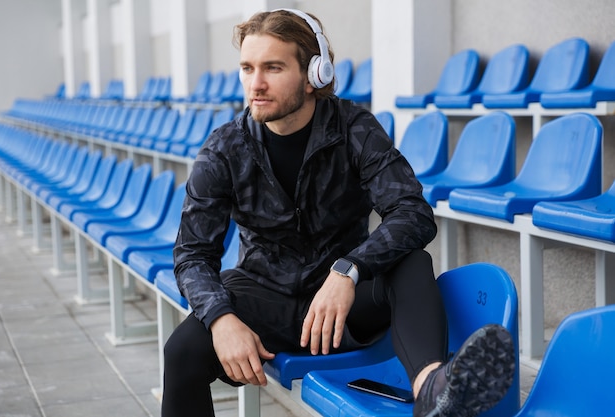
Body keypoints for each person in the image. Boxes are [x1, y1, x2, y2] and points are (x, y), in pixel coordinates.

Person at [163, 8, 515, 417]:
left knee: (411, 262)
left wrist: (349, 269)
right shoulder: (223, 148)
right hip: (262, 298)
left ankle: (434, 392)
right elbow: (192, 254)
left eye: (272, 68)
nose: (255, 84)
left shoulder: (355, 128)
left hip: (344, 310)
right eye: (246, 68)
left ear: (316, 74)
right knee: (181, 351)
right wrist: (221, 319)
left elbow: (412, 212)